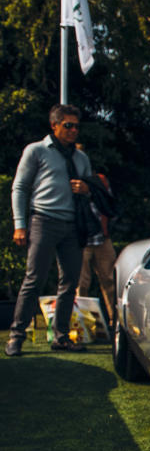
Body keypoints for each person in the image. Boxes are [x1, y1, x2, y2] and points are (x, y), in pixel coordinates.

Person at [5, 104, 93, 356]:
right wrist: (19, 225)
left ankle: (62, 336)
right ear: (54, 125)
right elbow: (20, 187)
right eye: (68, 125)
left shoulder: (81, 158)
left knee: (70, 282)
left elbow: (91, 191)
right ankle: (16, 336)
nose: (74, 130)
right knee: (34, 280)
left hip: (72, 225)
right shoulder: (36, 151)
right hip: (43, 221)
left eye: (76, 126)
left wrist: (86, 190)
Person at [76, 170, 118, 328]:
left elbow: (109, 204)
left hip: (102, 237)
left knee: (110, 280)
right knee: (81, 284)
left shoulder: (101, 181)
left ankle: (116, 324)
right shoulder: (68, 181)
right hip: (80, 240)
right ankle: (81, 327)